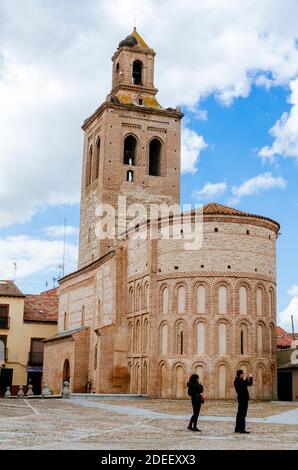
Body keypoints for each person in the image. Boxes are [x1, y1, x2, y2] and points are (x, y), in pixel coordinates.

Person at [234, 369, 253, 434]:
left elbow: (246, 383)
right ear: (241, 374)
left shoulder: (237, 380)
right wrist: (250, 377)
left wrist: (247, 378)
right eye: (243, 374)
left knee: (239, 414)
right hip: (243, 399)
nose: (243, 375)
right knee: (242, 414)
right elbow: (249, 383)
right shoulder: (240, 381)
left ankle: (237, 428)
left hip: (240, 398)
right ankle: (241, 429)